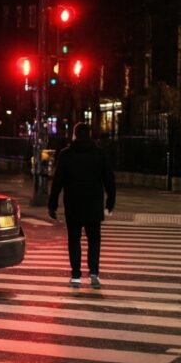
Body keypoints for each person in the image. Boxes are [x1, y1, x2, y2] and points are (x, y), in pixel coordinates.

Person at [48, 122, 116, 288]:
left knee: (74, 240)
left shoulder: (66, 154)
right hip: (93, 204)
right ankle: (93, 273)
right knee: (94, 240)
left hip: (73, 204)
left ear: (75, 135)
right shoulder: (99, 154)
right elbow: (109, 179)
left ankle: (76, 275)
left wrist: (52, 205)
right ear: (89, 135)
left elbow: (58, 181)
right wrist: (110, 202)